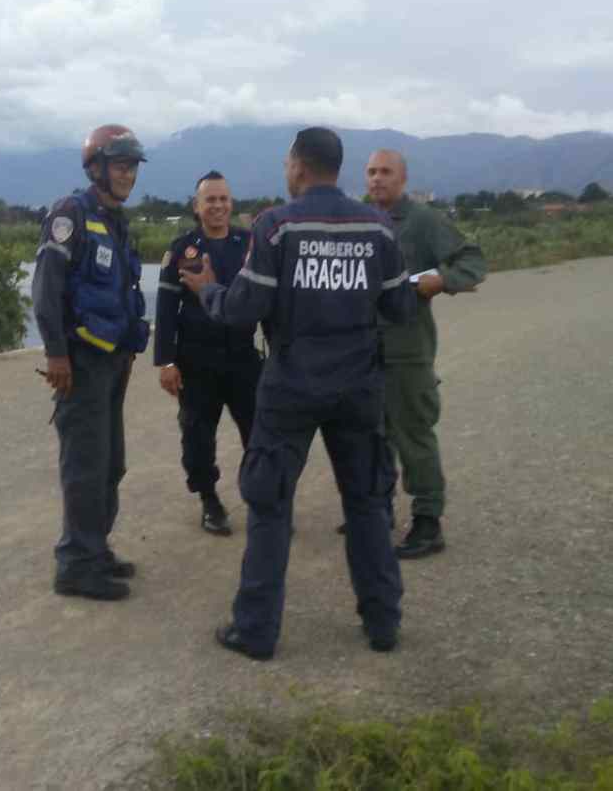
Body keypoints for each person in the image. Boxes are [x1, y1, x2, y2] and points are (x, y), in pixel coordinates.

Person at [179, 127, 416, 659]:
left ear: (298, 167)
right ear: (338, 167)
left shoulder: (276, 226)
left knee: (269, 505)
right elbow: (399, 308)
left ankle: (256, 630)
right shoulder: (377, 226)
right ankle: (383, 624)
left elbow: (243, 309)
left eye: (287, 164)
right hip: (358, 387)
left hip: (290, 388)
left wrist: (207, 291)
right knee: (368, 504)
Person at [32, 124, 151, 601]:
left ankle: (94, 548)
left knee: (110, 464)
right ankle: (75, 565)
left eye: (132, 167)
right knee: (84, 464)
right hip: (79, 363)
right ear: (97, 167)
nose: (128, 175)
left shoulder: (116, 221)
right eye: (121, 165)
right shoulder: (71, 215)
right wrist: (56, 353)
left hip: (113, 361)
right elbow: (45, 291)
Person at [364, 150, 487, 558]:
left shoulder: (423, 222)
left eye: (385, 172)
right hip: (364, 352)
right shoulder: (362, 221)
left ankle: (428, 521)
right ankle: (376, 511)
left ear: (402, 179)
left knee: (413, 435)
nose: (377, 179)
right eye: (371, 172)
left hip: (406, 351)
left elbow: (472, 260)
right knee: (372, 436)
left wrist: (441, 279)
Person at [154, 171, 263, 536]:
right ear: (197, 206)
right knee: (198, 436)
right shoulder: (183, 249)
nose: (217, 206)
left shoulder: (250, 244)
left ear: (231, 204)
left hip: (243, 357)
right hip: (197, 360)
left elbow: (266, 298)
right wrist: (166, 361)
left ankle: (262, 500)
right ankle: (209, 500)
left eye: (223, 199)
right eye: (210, 200)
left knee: (259, 434)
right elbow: (166, 309)